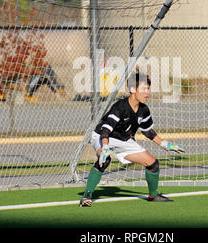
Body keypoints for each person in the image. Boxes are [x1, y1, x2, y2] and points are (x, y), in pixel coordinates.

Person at [79, 71, 186, 207]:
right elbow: (106, 130)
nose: (147, 92)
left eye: (148, 89)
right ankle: (86, 196)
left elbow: (148, 131)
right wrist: (105, 147)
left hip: (124, 139)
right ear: (132, 90)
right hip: (104, 136)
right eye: (143, 89)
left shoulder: (144, 110)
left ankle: (153, 195)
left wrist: (166, 145)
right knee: (104, 159)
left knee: (153, 164)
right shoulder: (120, 107)